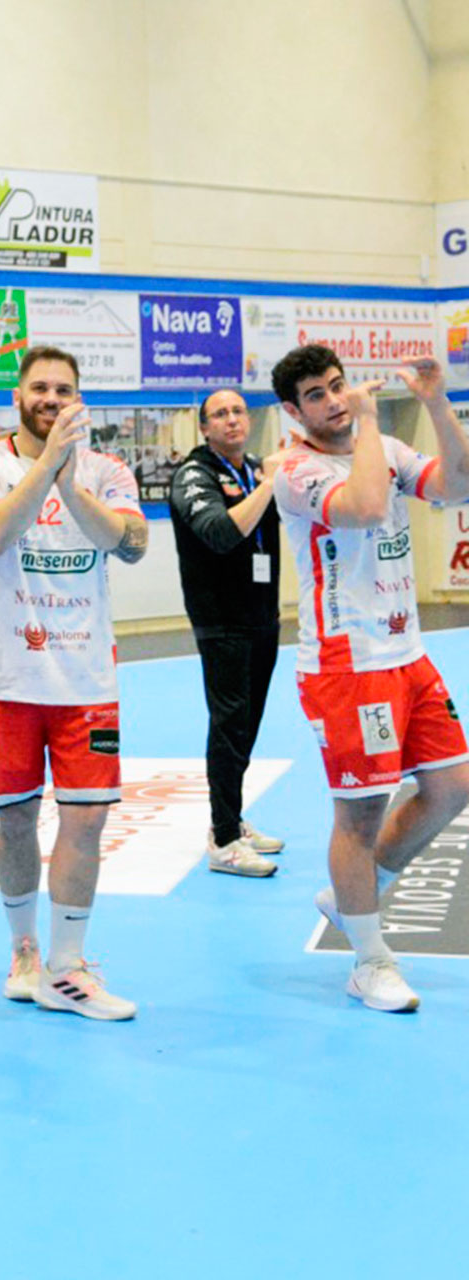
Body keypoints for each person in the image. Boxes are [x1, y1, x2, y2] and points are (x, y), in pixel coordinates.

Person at [0, 345, 149, 1022]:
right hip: (5, 676)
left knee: (88, 818)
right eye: (40, 387)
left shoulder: (108, 469)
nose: (52, 398)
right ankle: (24, 949)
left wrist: (68, 480)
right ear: (18, 397)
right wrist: (45, 467)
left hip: (86, 675)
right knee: (15, 821)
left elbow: (130, 541)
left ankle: (67, 967)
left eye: (64, 388)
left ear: (79, 397)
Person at [270, 345, 469, 1013]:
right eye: (317, 395)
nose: (333, 399)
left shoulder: (378, 444)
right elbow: (361, 506)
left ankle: (363, 884)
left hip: (406, 651)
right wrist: (370, 422)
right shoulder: (295, 470)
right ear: (293, 412)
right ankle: (369, 961)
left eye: (337, 386)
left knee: (452, 786)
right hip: (346, 666)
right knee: (357, 817)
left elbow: (457, 485)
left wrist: (436, 404)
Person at [168, 388, 285, 878]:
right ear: (205, 427)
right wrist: (270, 485)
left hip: (263, 613)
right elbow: (219, 533)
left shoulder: (256, 466)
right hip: (222, 620)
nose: (233, 420)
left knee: (249, 725)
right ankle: (224, 839)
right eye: (221, 414)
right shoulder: (193, 475)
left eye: (239, 411)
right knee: (229, 724)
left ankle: (231, 816)